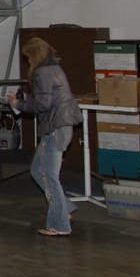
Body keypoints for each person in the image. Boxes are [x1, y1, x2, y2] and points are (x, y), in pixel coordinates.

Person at [8, 37, 83, 236]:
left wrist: (18, 104)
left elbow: (43, 104)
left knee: (50, 176)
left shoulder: (41, 72)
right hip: (62, 125)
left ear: (34, 55)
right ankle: (64, 210)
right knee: (37, 170)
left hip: (54, 127)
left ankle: (59, 225)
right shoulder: (55, 68)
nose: (28, 61)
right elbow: (47, 98)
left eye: (28, 57)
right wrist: (26, 100)